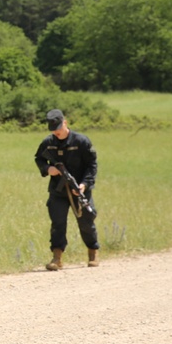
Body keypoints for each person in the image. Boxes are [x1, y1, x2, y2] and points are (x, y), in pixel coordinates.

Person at [33, 108, 100, 270]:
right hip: (58, 191)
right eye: (53, 130)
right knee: (58, 223)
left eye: (58, 129)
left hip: (80, 189)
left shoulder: (81, 142)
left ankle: (93, 252)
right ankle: (57, 258)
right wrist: (48, 169)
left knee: (86, 222)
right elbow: (39, 159)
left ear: (65, 123)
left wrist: (85, 184)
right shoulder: (48, 143)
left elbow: (92, 165)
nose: (56, 133)